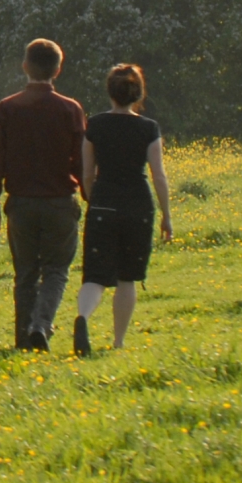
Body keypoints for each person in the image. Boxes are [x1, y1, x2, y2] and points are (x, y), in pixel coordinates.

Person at [0, 37, 87, 351]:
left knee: (25, 273)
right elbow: (80, 160)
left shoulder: (8, 108)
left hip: (22, 204)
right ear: (58, 69)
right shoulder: (70, 109)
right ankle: (42, 324)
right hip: (58, 203)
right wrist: (89, 194)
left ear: (25, 66)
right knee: (56, 269)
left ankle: (23, 340)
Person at [72, 62, 172, 354]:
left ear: (110, 92)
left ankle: (83, 317)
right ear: (138, 94)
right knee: (127, 277)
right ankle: (118, 342)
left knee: (95, 275)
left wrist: (94, 199)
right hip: (138, 207)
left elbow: (87, 173)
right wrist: (166, 215)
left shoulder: (96, 125)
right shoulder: (149, 128)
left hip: (103, 203)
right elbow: (159, 175)